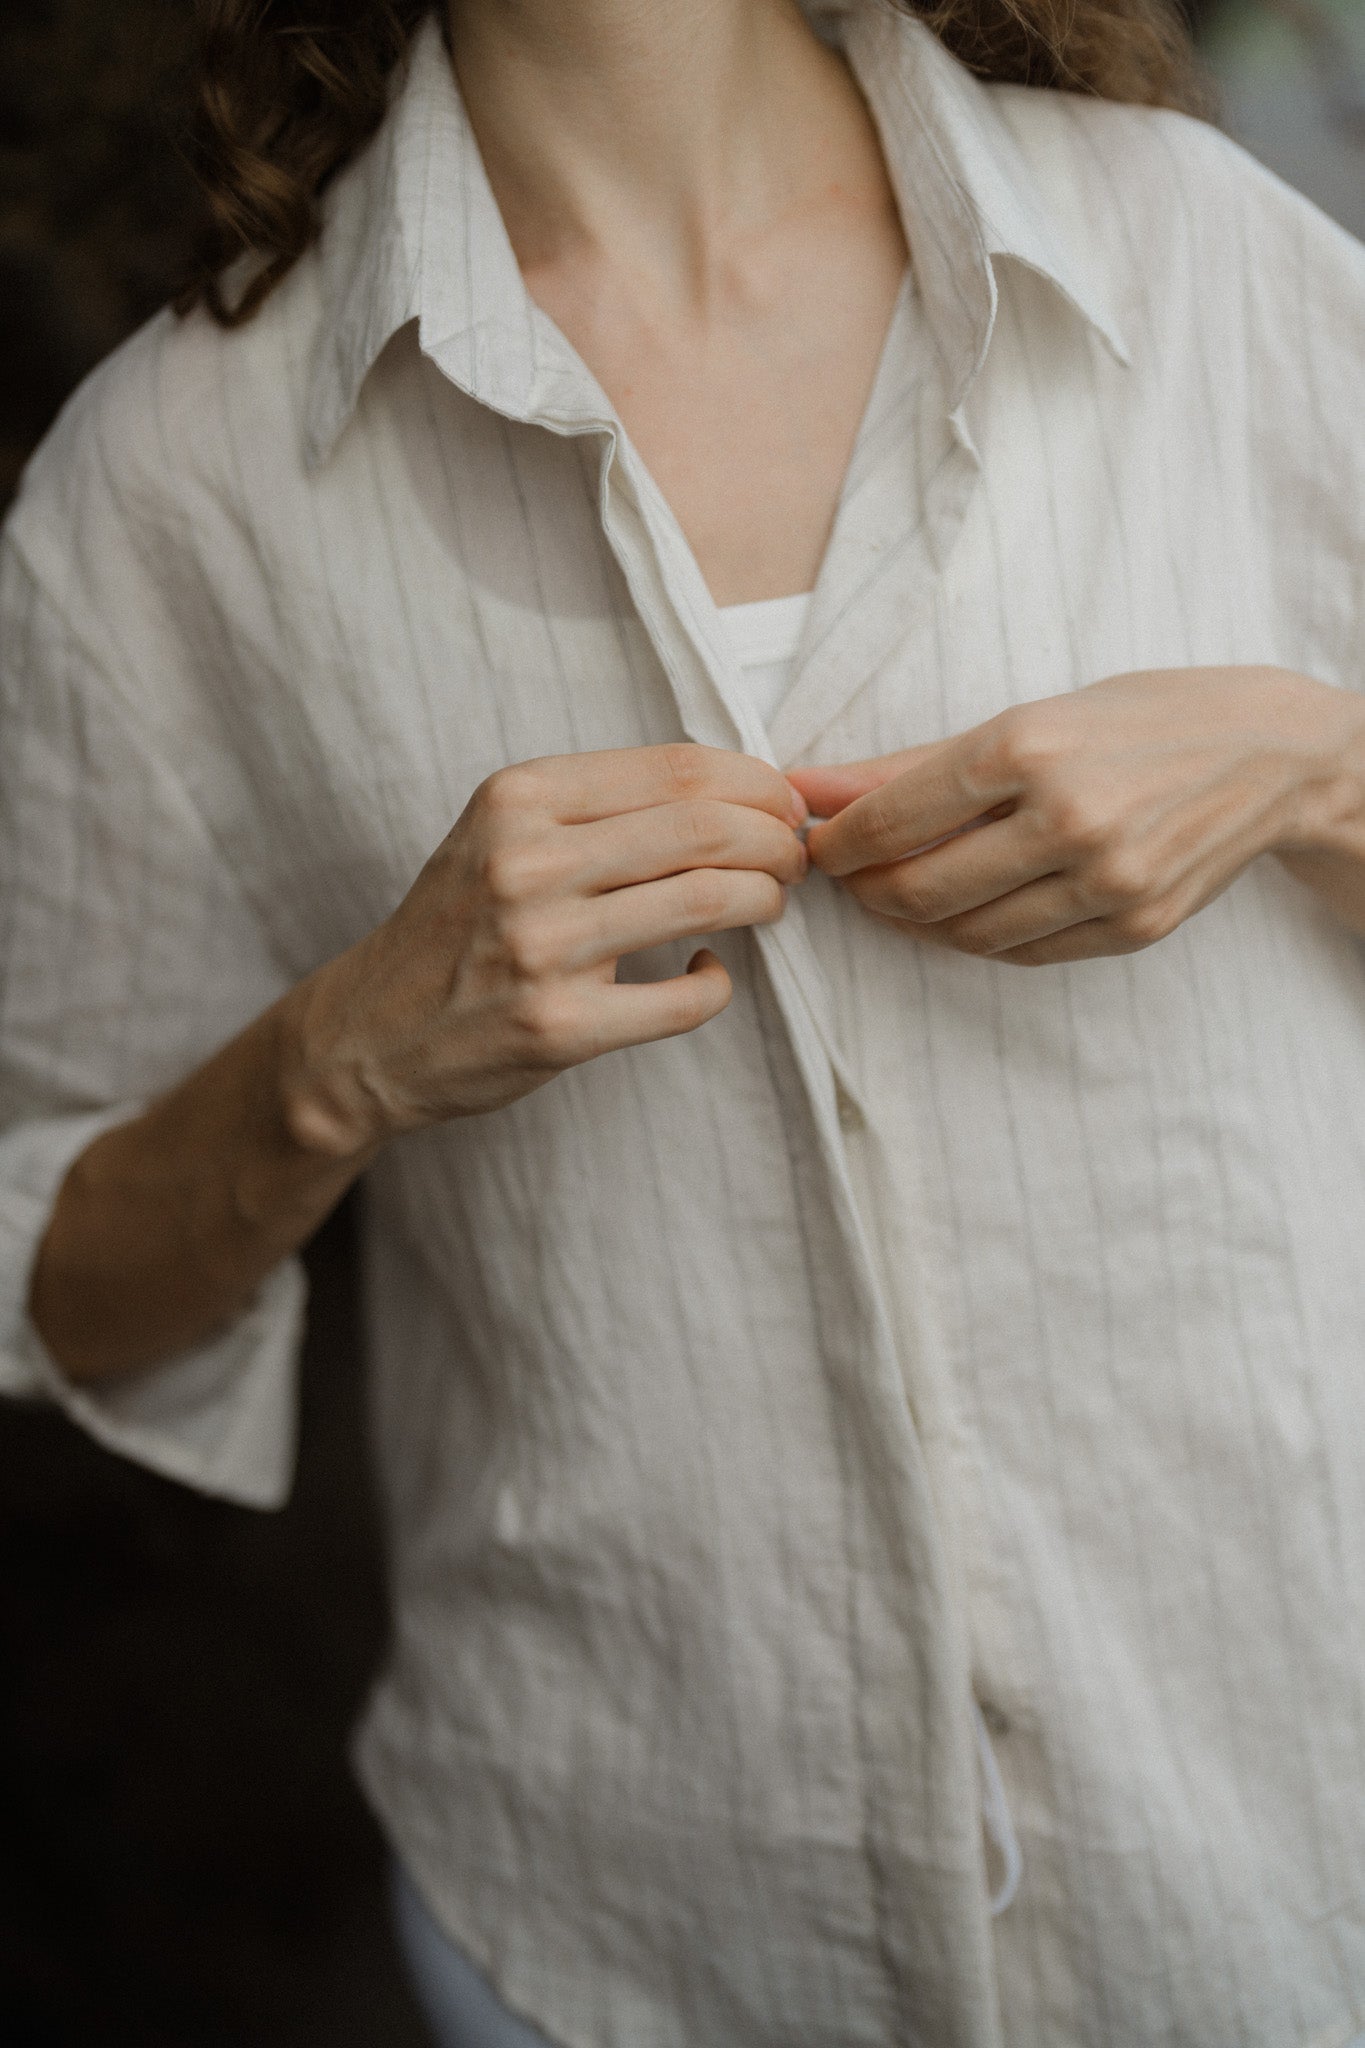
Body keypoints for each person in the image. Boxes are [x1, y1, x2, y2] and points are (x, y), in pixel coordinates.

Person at [2, 0, 1364, 2040]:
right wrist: (340, 1052)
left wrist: (1310, 764)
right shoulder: (178, 486)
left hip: (1298, 1859)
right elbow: (63, 1278)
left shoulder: (1206, 260)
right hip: (612, 1934)